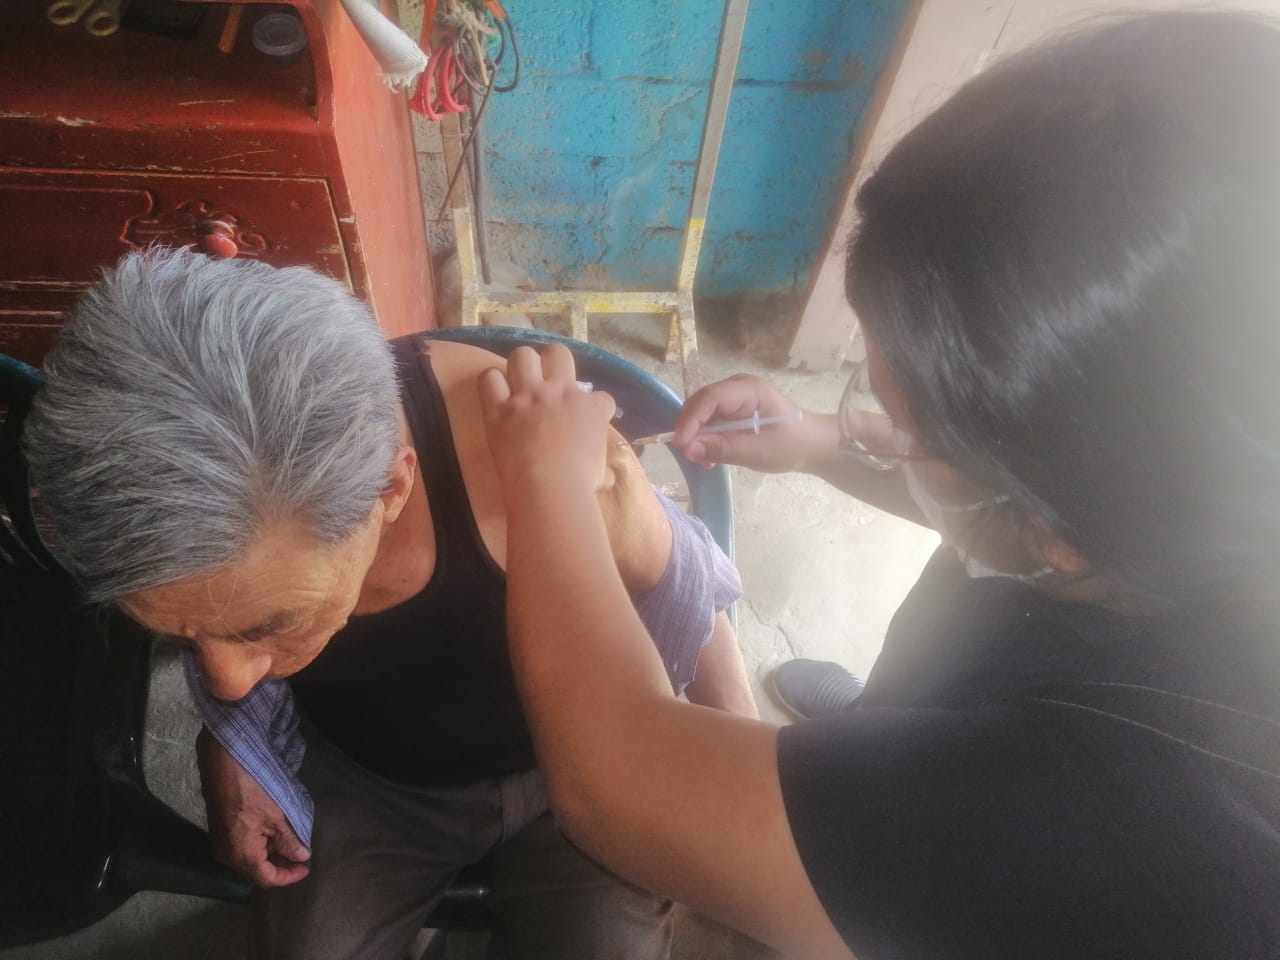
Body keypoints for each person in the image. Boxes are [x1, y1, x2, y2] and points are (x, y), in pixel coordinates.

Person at [473, 11, 1280, 960]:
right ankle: (877, 723)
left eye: (909, 423)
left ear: (1055, 526)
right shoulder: (1195, 481)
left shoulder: (1106, 816)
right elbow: (1001, 533)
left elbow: (616, 778)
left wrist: (544, 478)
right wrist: (827, 442)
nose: (877, 424)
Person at [23, 247, 755, 960]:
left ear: (392, 488)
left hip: (570, 758)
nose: (229, 682)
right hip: (367, 778)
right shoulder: (208, 528)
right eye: (188, 640)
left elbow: (690, 599)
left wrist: (743, 793)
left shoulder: (539, 468)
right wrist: (232, 744)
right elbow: (217, 620)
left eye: (270, 626)